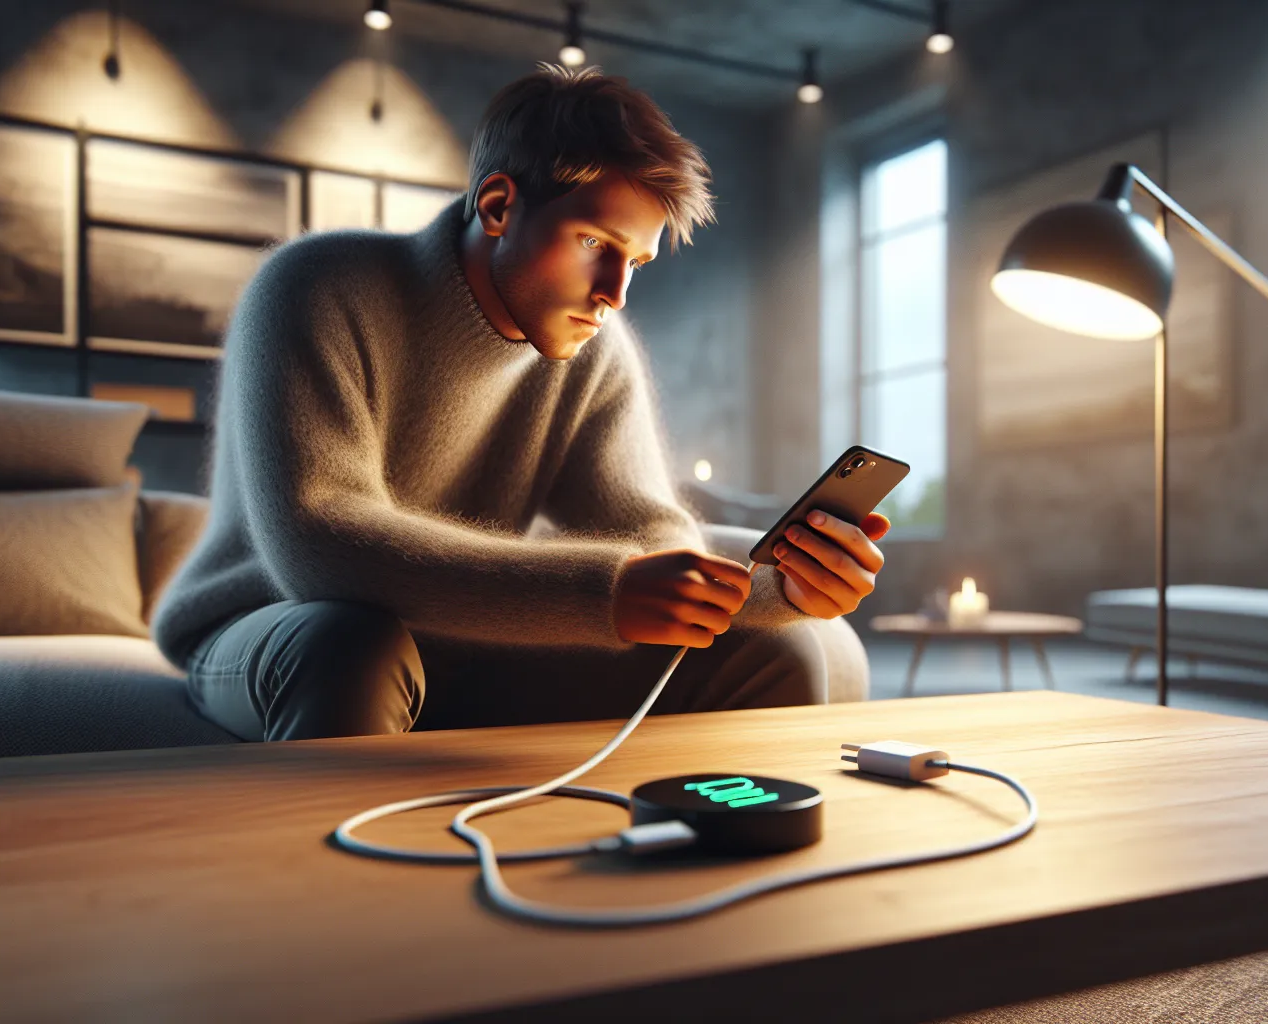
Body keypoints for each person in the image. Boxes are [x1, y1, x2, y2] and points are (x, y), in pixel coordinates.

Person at [151, 65, 890, 741]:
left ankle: (705, 864)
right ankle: (350, 888)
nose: (614, 293)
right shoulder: (315, 287)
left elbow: (648, 538)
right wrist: (603, 595)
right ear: (499, 205)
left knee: (775, 653)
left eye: (634, 260)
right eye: (594, 242)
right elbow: (323, 544)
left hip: (456, 640)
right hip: (269, 624)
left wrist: (785, 592)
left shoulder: (595, 352)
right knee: (351, 644)